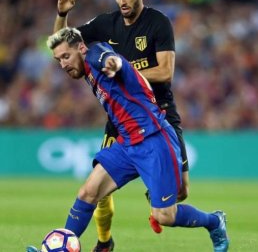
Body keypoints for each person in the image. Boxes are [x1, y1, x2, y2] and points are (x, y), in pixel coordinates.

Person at [38, 27, 229, 252]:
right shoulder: (85, 68)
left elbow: (110, 58)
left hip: (153, 139)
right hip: (127, 143)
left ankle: (215, 221)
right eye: (58, 59)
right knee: (87, 192)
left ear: (81, 48)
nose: (63, 64)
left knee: (165, 215)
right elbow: (64, 35)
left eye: (66, 57)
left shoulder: (95, 54)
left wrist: (114, 63)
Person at [53, 0, 189, 249]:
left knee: (181, 191)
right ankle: (104, 241)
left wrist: (125, 73)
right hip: (120, 120)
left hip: (158, 113)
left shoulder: (158, 23)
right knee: (96, 192)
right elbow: (63, 44)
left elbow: (165, 71)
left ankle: (157, 196)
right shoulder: (106, 23)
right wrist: (62, 15)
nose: (122, 2)